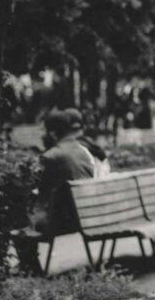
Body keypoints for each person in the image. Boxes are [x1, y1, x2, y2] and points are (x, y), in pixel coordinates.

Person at [15, 108, 107, 274]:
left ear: (53, 133)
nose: (42, 134)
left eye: (44, 130)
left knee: (18, 218)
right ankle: (29, 267)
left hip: (60, 222)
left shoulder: (51, 156)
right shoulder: (84, 152)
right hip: (85, 217)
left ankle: (29, 268)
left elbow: (31, 187)